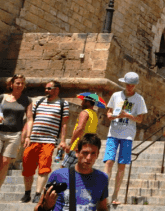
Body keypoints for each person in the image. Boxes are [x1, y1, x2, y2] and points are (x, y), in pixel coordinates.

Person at [0, 74, 32, 203]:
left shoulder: (27, 100)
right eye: (17, 83)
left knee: (4, 164)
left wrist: (28, 136)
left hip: (14, 135)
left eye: (22, 83)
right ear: (11, 84)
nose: (20, 85)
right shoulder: (2, 97)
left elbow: (30, 119)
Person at [22, 80, 70, 203]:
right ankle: (27, 192)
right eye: (46, 88)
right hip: (33, 139)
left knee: (44, 168)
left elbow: (64, 124)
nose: (46, 91)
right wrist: (26, 135)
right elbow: (30, 119)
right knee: (27, 167)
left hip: (49, 140)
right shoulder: (39, 102)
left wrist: (63, 141)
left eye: (49, 88)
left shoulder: (63, 104)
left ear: (57, 89)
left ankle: (38, 193)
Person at [104, 72, 147, 206]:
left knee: (121, 166)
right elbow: (109, 112)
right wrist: (111, 116)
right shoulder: (116, 95)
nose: (129, 87)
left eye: (132, 85)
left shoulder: (139, 99)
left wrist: (128, 115)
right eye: (128, 84)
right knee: (109, 162)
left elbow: (140, 119)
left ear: (135, 85)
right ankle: (103, 193)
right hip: (113, 133)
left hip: (127, 135)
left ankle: (115, 194)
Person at [34, 133, 108, 211]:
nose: (89, 158)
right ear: (77, 153)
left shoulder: (102, 179)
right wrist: (47, 206)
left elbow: (103, 208)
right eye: (85, 153)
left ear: (97, 155)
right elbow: (37, 208)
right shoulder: (58, 175)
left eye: (93, 153)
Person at [61, 95, 99, 169]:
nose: (81, 103)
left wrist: (70, 143)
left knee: (64, 169)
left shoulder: (84, 112)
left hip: (76, 147)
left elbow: (80, 128)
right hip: (87, 147)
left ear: (87, 102)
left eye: (83, 101)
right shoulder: (94, 115)